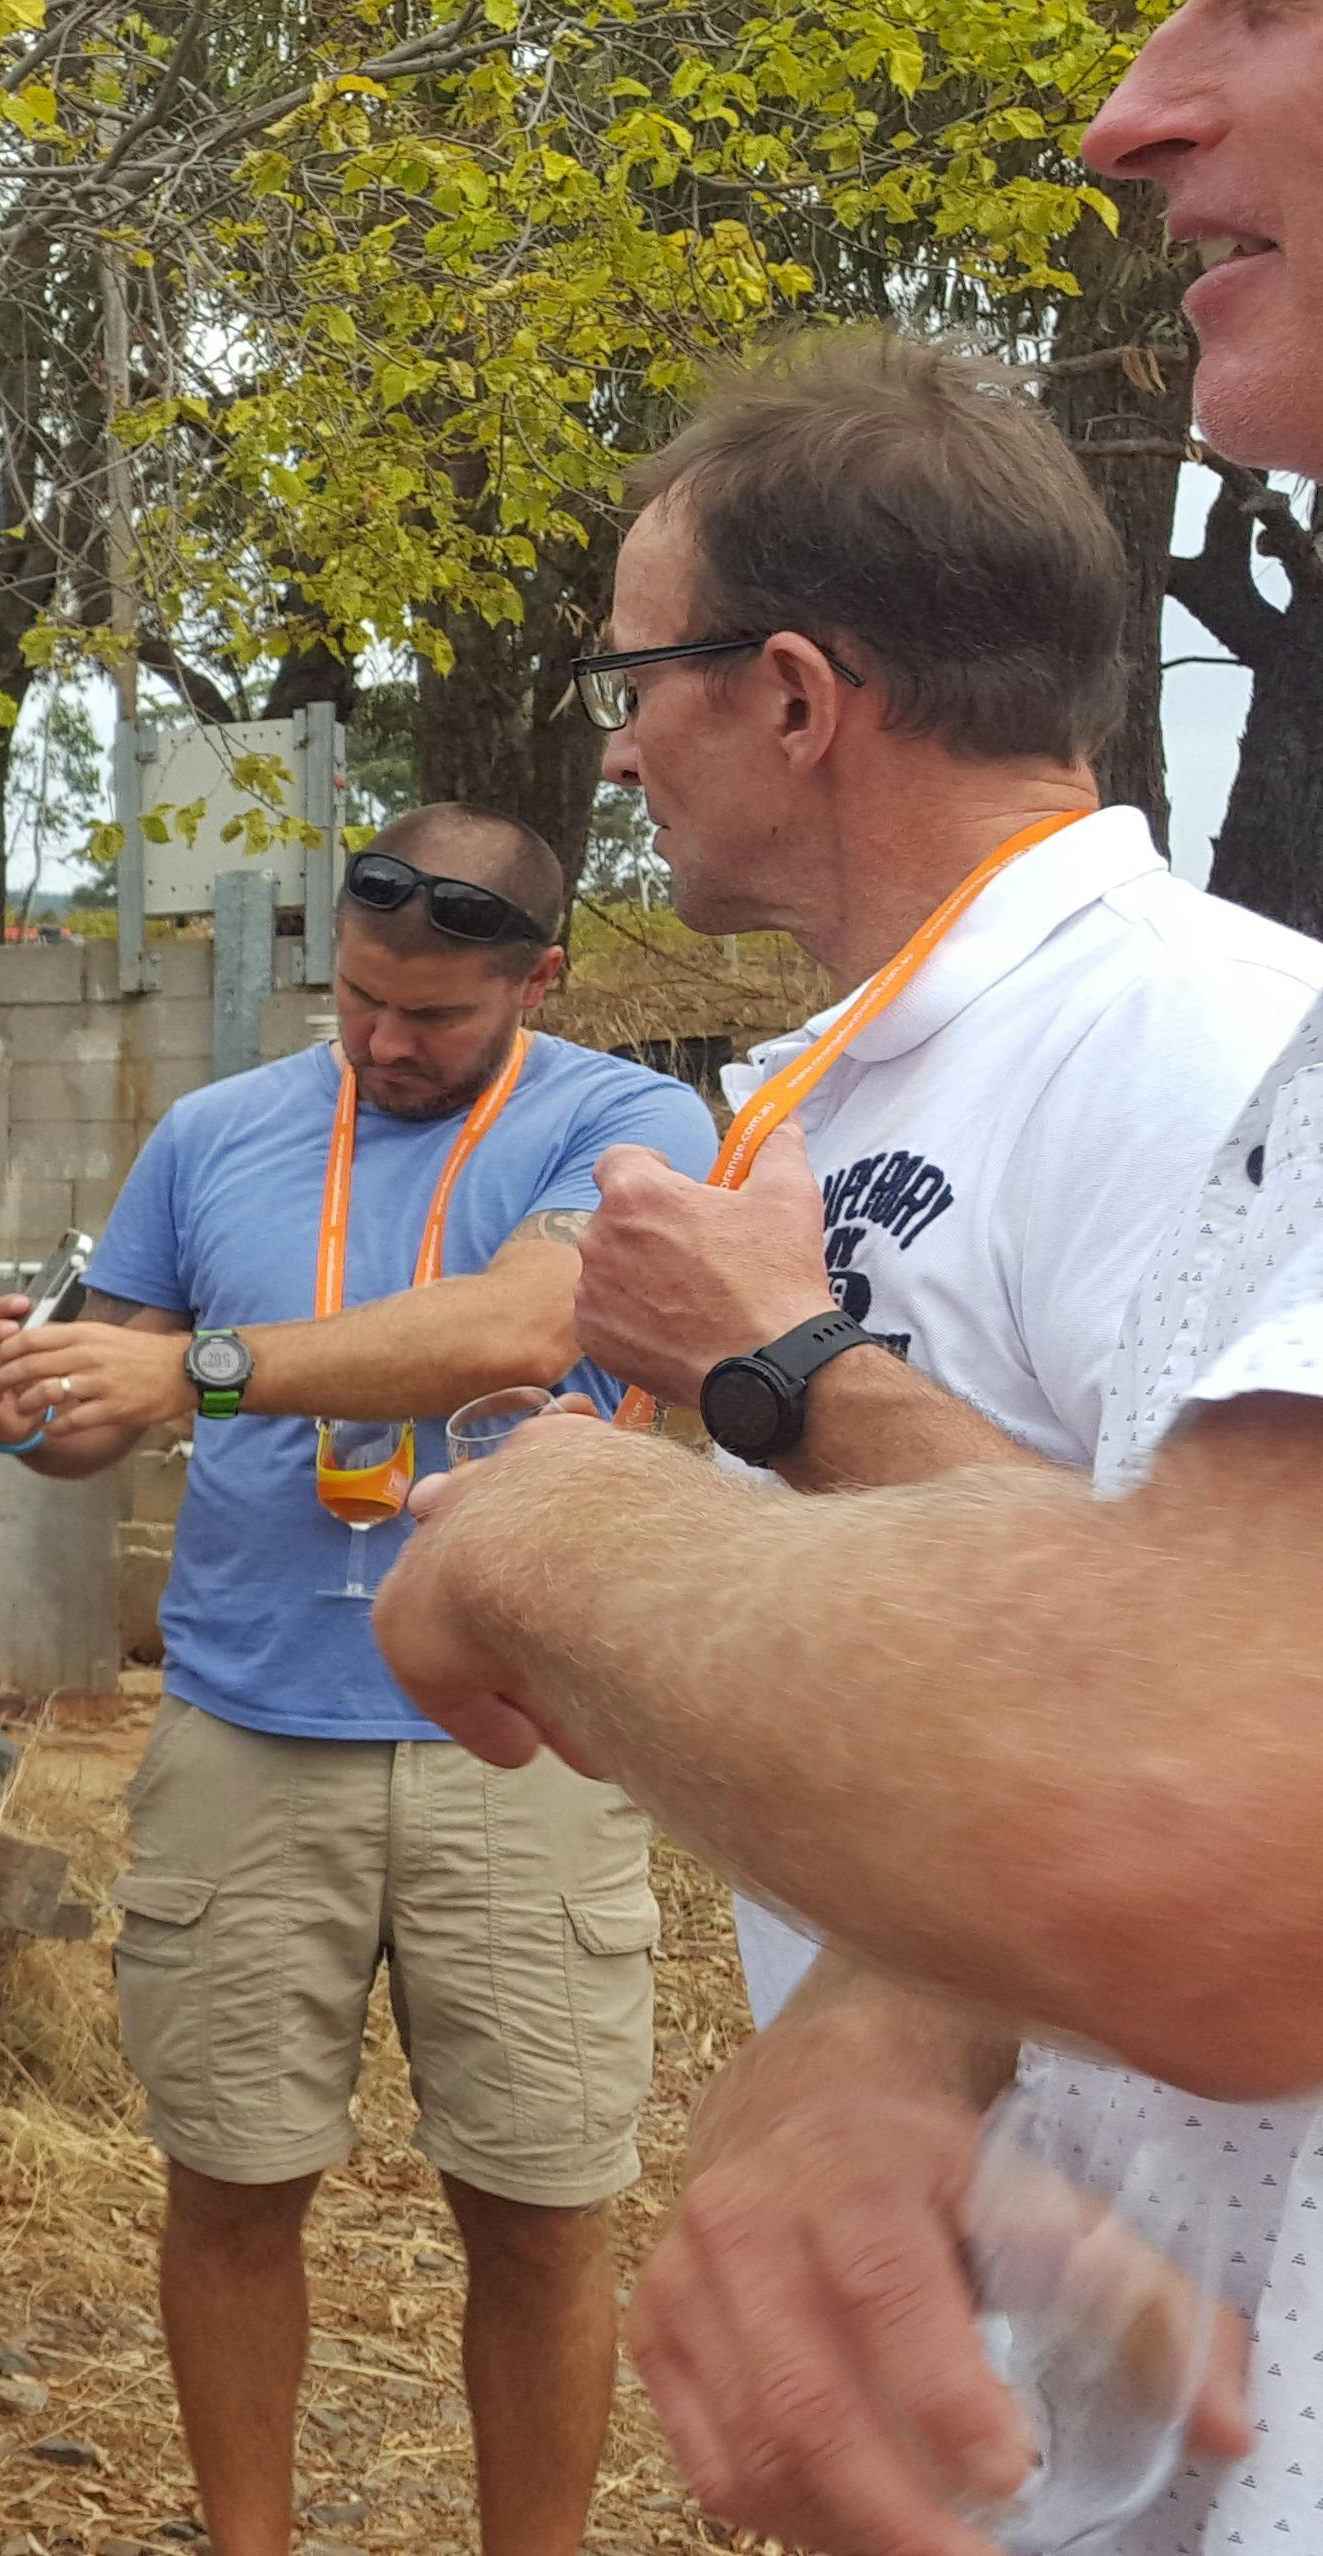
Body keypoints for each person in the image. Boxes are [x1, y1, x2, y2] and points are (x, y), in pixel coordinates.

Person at [382, 0, 1323, 2556]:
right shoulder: (867, 1059)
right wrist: (877, 2018)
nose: (1136, 111)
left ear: (794, 694)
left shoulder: (1190, 1029)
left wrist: (670, 1449)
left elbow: (1202, 1750)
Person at [0, 804, 717, 2556]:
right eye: (360, 998)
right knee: (228, 2184)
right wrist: (32, 1404)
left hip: (523, 1740)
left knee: (538, 2211)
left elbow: (526, 1327)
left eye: (435, 1015)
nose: (383, 1041)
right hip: (246, 1732)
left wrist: (200, 1373)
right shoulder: (217, 1132)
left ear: (542, 979)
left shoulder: (628, 1124)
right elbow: (103, 1413)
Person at [551, 333, 1323, 2017]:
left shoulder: (1216, 1051)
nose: (618, 755)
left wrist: (776, 1369)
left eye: (634, 683)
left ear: (792, 698)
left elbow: (1241, 1714)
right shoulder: (891, 1058)